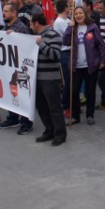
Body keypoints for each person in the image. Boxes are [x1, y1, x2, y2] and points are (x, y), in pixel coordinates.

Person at [63, 6, 105, 125]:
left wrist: (103, 60)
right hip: (75, 66)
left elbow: (101, 45)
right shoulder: (72, 28)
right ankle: (75, 116)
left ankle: (90, 115)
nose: (78, 15)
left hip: (90, 65)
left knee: (90, 91)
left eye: (80, 13)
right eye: (76, 13)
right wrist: (69, 28)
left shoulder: (92, 27)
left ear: (85, 14)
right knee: (74, 91)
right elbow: (65, 42)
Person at [0, 3, 34, 135]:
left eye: (6, 11)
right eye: (3, 11)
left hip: (20, 68)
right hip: (9, 67)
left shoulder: (20, 28)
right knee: (12, 94)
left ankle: (26, 122)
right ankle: (13, 118)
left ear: (14, 13)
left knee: (22, 95)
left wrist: (15, 37)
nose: (3, 13)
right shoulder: (6, 26)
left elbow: (26, 46)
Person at [30, 13, 66, 146]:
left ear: (36, 23)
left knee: (54, 107)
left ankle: (60, 134)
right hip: (37, 78)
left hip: (50, 78)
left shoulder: (53, 35)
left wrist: (42, 44)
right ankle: (49, 130)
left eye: (31, 23)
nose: (30, 26)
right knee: (42, 107)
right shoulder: (34, 36)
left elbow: (56, 55)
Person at [53, 0, 72, 116]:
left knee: (72, 80)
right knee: (68, 81)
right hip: (65, 53)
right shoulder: (60, 22)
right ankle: (65, 106)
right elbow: (70, 34)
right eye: (69, 7)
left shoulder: (67, 20)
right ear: (65, 8)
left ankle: (70, 104)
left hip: (70, 52)